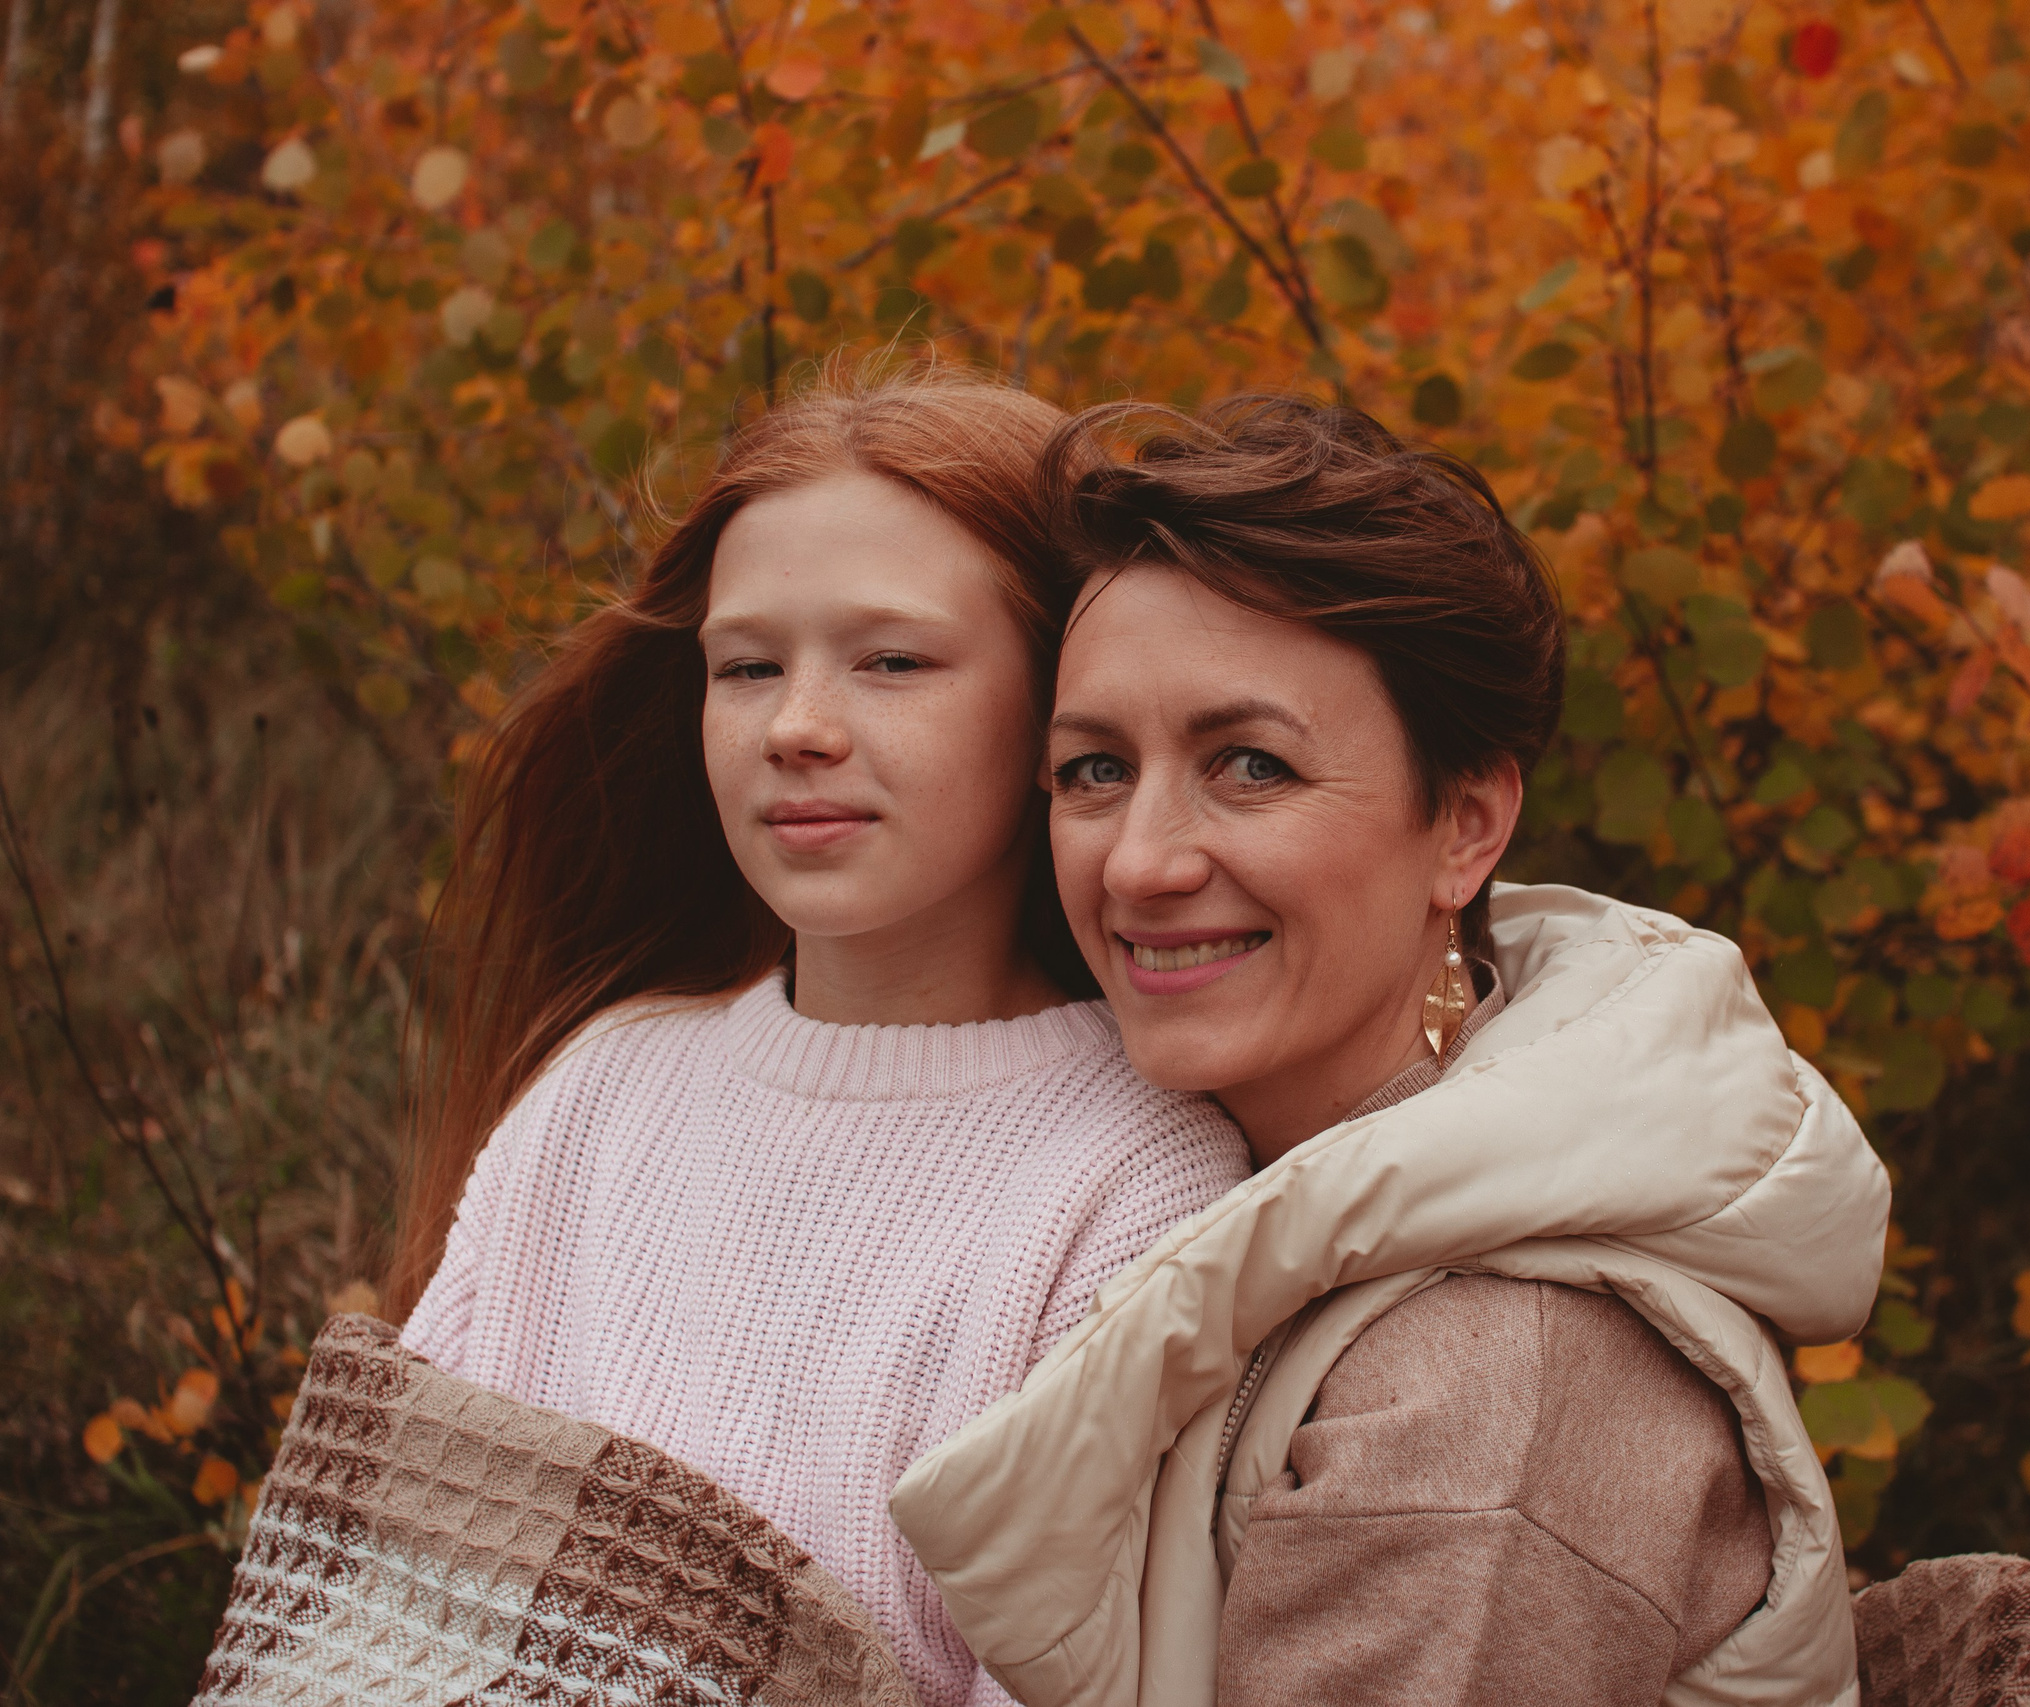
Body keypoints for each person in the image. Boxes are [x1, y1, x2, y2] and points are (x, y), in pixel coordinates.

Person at [890, 396, 1891, 1706]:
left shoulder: (1487, 1398)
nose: (1138, 862)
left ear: (1466, 825)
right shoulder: (1250, 1200)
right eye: (1092, 770)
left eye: (1251, 766)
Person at [389, 365, 1250, 1707]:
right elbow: (389, 1602)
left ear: (1057, 704)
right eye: (747, 668)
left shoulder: (1139, 1181)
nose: (795, 726)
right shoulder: (604, 1087)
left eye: (892, 661)